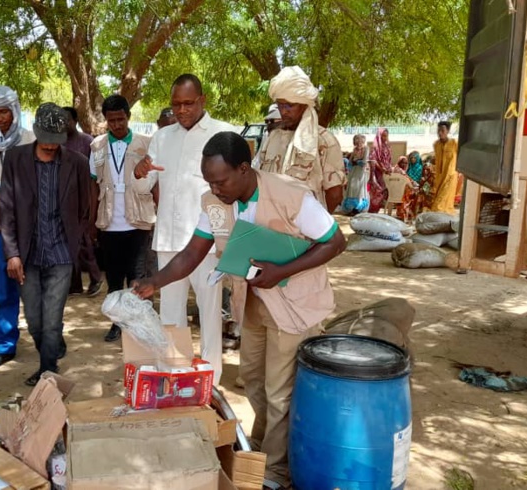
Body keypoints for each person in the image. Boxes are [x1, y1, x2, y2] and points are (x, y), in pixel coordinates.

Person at [133, 132, 346, 490]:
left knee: (281, 393)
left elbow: (335, 241)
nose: (215, 189)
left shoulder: (291, 196)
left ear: (244, 169)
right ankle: (262, 449)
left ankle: (276, 474)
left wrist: (282, 270)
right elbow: (191, 254)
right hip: (255, 303)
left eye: (221, 180)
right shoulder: (214, 202)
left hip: (296, 306)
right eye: (209, 182)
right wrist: (154, 282)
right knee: (255, 383)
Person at [133, 74, 236, 385]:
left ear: (203, 100)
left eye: (188, 103)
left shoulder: (223, 134)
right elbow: (144, 184)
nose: (181, 110)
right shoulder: (162, 138)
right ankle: (174, 375)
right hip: (169, 240)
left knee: (209, 312)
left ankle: (211, 379)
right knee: (171, 316)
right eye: (176, 104)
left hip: (206, 242)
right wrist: (140, 172)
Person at [0, 103, 91, 386]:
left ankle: (47, 369)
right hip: (27, 254)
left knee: (52, 319)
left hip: (62, 253)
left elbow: (84, 206)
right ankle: (51, 347)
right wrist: (12, 253)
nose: (51, 147)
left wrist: (76, 242)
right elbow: (7, 208)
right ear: (37, 133)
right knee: (35, 320)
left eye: (57, 141)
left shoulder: (77, 162)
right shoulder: (15, 159)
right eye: (47, 140)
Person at [0, 86, 36, 371]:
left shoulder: (31, 140)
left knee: (38, 286)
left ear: (16, 109)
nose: (0, 118)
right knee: (2, 290)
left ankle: (49, 340)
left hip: (29, 227)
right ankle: (4, 346)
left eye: (4, 111)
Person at [90, 95, 155, 342]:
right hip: (109, 223)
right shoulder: (96, 146)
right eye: (111, 120)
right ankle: (118, 324)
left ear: (128, 117)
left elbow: (154, 184)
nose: (116, 124)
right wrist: (91, 223)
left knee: (137, 276)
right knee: (115, 279)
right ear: (106, 120)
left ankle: (140, 324)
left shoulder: (145, 145)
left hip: (137, 221)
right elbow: (92, 185)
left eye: (120, 119)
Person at [258, 66, 345, 212]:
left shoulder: (324, 141)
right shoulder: (273, 137)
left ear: (304, 105)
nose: (283, 111)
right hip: (272, 225)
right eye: (280, 104)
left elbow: (335, 195)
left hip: (307, 230)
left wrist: (315, 226)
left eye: (290, 105)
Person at [62, 106, 103, 297]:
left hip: (84, 199)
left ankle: (96, 278)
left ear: (75, 121)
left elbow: (94, 175)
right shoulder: (58, 142)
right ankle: (74, 284)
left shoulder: (87, 142)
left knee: (84, 242)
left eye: (66, 120)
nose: (63, 123)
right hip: (63, 202)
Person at [431, 121, 459, 213]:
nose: (440, 133)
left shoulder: (454, 143)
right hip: (439, 176)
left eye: (442, 130)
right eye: (438, 130)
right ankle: (442, 217)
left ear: (447, 131)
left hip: (450, 176)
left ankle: (439, 214)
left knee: (443, 199)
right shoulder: (436, 145)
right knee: (439, 197)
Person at [341, 134, 369, 215]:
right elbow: (350, 161)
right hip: (353, 171)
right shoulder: (355, 150)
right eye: (357, 142)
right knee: (352, 189)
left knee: (359, 190)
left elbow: (364, 161)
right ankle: (352, 208)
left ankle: (358, 208)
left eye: (361, 142)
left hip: (361, 171)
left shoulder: (366, 149)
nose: (359, 144)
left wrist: (357, 162)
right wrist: (353, 163)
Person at [368, 127, 393, 213]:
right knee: (377, 191)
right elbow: (373, 160)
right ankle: (373, 210)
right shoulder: (375, 147)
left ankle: (379, 209)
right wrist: (382, 169)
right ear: (379, 136)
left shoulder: (387, 146)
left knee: (385, 191)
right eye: (383, 136)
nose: (384, 138)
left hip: (386, 172)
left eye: (386, 136)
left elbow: (389, 159)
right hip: (377, 172)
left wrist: (389, 168)